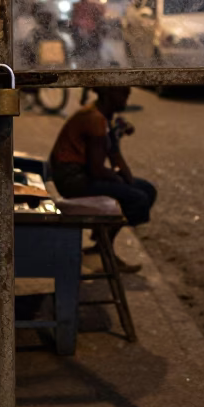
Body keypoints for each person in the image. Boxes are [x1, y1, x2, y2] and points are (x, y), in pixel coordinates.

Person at [49, 86, 156, 271]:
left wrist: (125, 175)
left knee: (147, 189)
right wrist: (120, 179)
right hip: (74, 180)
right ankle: (104, 245)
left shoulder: (104, 117)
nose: (126, 99)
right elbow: (97, 169)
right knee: (138, 198)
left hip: (83, 175)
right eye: (122, 93)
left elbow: (114, 156)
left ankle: (102, 242)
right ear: (108, 94)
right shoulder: (94, 118)